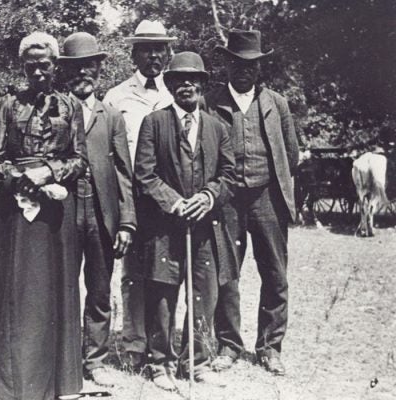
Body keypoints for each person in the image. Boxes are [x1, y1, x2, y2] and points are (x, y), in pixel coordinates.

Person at [0, 32, 88, 400]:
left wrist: (49, 172)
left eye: (44, 65)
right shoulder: (8, 105)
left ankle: (52, 383)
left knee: (50, 294)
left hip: (54, 213)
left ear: (55, 67)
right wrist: (19, 180)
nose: (38, 71)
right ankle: (3, 382)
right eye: (31, 65)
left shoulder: (71, 107)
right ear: (23, 67)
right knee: (12, 292)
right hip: (14, 210)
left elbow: (80, 160)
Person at [133, 52, 238, 390]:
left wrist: (207, 197)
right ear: (170, 84)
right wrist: (175, 203)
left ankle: (198, 361)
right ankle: (159, 362)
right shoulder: (155, 122)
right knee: (163, 293)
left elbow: (229, 175)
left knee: (203, 294)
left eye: (193, 79)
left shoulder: (218, 127)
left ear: (203, 85)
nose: (187, 85)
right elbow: (144, 175)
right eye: (179, 79)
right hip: (165, 226)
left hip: (205, 227)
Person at [202, 29, 299, 376]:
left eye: (252, 64)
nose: (244, 70)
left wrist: (275, 187)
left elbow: (291, 154)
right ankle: (228, 345)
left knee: (275, 273)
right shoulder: (209, 103)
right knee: (226, 274)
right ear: (227, 64)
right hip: (226, 200)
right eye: (237, 63)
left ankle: (270, 348)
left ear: (259, 68)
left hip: (267, 198)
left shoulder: (277, 104)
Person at [58, 32, 136, 387]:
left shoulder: (113, 116)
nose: (82, 74)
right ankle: (64, 357)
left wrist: (126, 223)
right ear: (66, 72)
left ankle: (96, 359)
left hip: (102, 213)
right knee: (63, 286)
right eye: (75, 68)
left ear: (99, 70)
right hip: (63, 212)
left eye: (89, 67)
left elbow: (124, 172)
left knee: (100, 289)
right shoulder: (54, 110)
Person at [102, 19, 175, 370]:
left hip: (167, 199)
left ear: (168, 53)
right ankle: (133, 345)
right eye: (146, 48)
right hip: (130, 197)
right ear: (133, 53)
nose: (154, 56)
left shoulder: (177, 93)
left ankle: (163, 344)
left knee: (164, 273)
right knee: (132, 272)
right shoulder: (116, 97)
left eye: (160, 48)